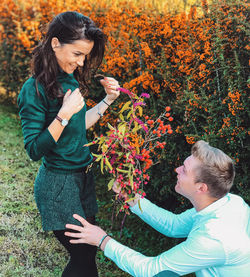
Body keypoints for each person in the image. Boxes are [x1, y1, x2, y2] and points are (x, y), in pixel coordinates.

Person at [17, 11, 120, 277]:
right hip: (58, 185)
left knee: (86, 255)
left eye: (85, 55)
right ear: (55, 44)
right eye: (77, 54)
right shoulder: (34, 89)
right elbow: (34, 149)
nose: (82, 61)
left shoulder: (69, 77)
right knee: (83, 256)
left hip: (82, 178)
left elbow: (77, 126)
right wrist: (62, 114)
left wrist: (107, 100)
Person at [65, 140, 250, 277]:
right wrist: (132, 198)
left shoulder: (213, 239)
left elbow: (150, 270)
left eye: (184, 170)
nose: (177, 170)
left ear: (201, 188)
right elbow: (174, 226)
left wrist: (102, 240)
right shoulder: (228, 202)